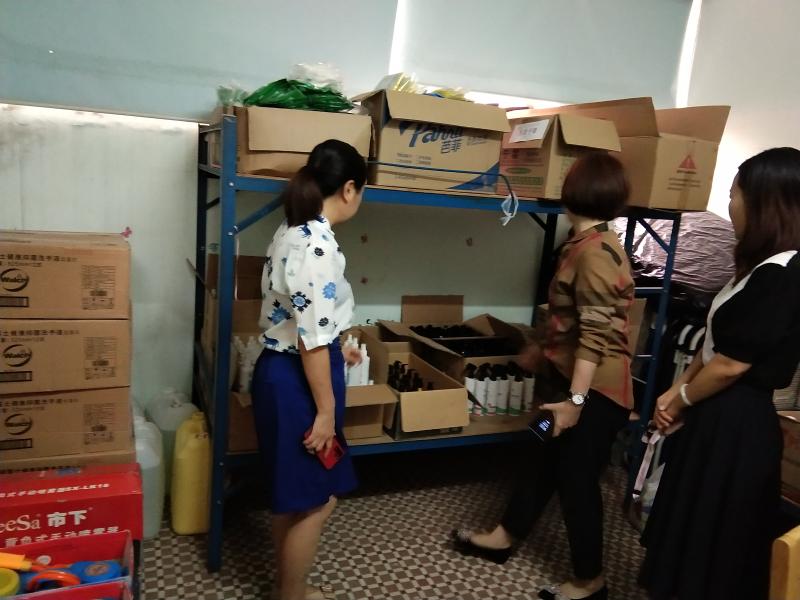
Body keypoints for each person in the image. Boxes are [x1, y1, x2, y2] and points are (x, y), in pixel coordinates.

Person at [453, 153, 636, 600]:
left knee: (576, 480)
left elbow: (594, 337)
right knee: (537, 452)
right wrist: (542, 348)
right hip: (567, 385)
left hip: (592, 395)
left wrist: (575, 404)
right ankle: (505, 536)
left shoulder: (594, 254)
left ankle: (590, 580)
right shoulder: (585, 243)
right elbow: (570, 321)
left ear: (573, 192)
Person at [639, 147, 800, 600]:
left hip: (738, 424)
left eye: (734, 194)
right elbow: (713, 346)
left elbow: (732, 364)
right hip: (714, 411)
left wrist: (681, 399)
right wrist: (676, 391)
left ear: (765, 202)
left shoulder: (784, 273)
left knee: (714, 537)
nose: (730, 205)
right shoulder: (756, 268)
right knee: (690, 522)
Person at [251, 139, 366, 600]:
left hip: (284, 371)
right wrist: (325, 411)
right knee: (318, 500)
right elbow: (310, 340)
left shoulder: (292, 230)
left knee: (294, 498)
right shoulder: (316, 245)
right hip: (298, 380)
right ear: (350, 189)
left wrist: (340, 350)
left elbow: (307, 323)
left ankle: (288, 589)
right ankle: (293, 595)